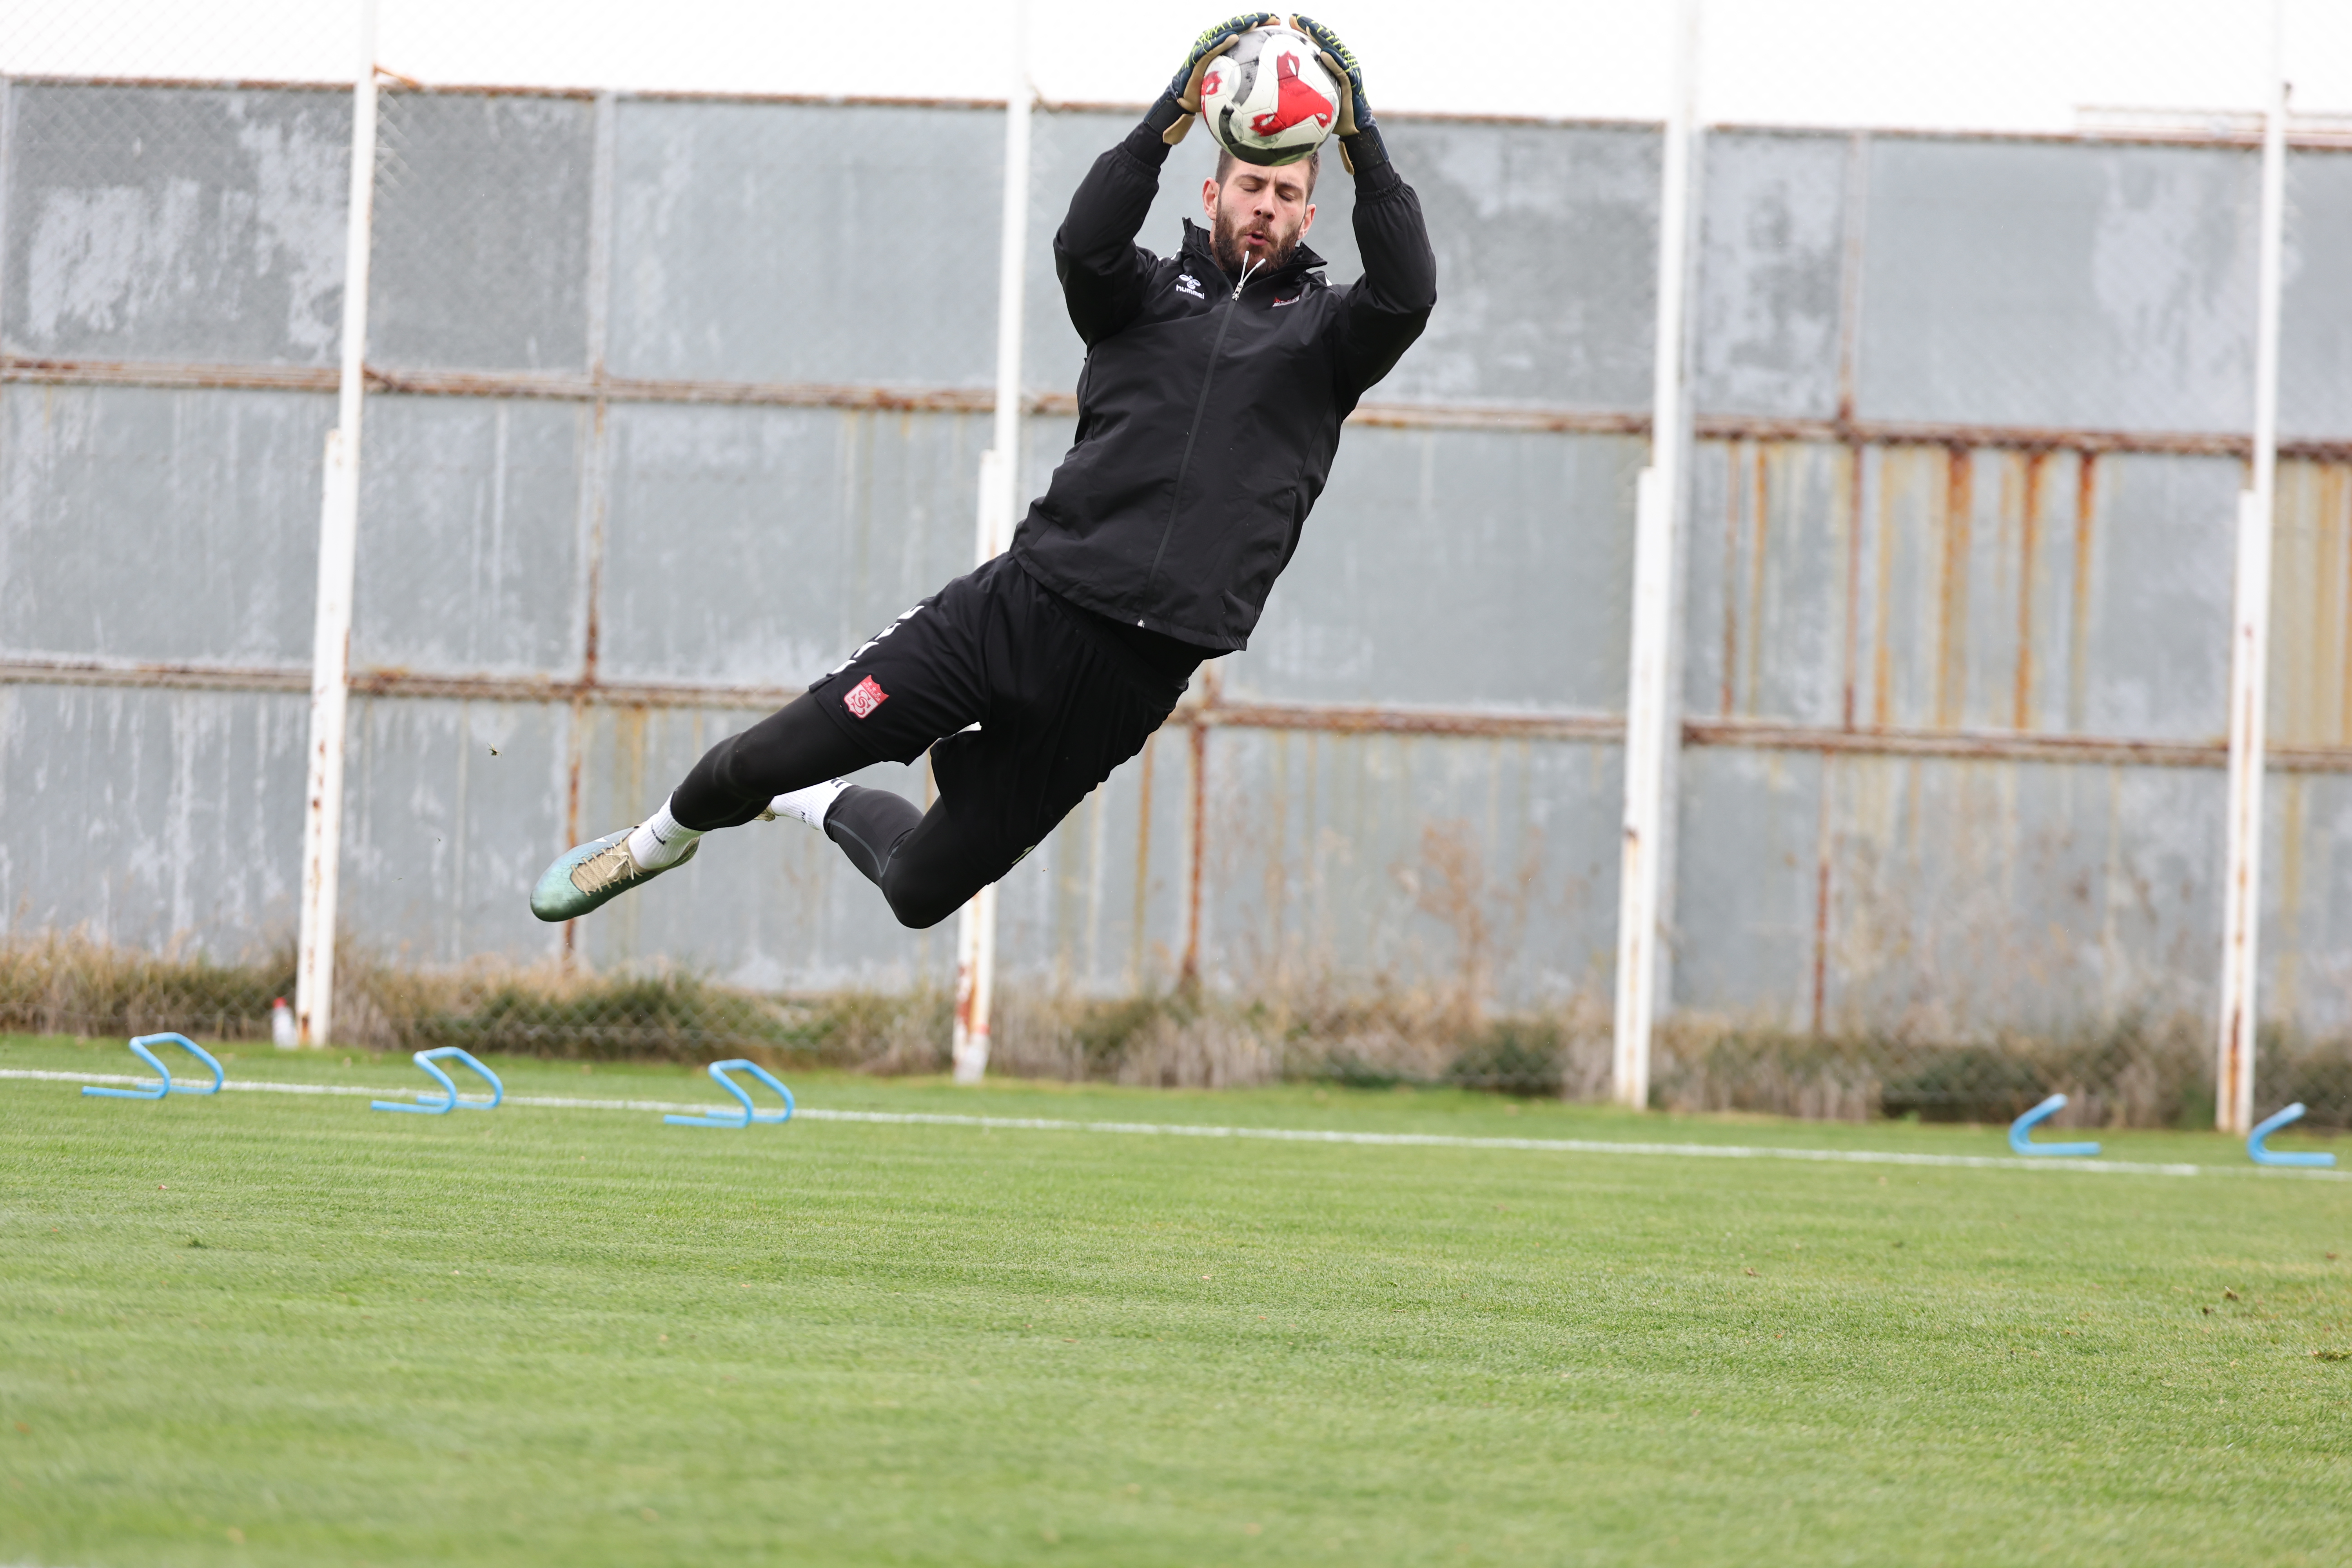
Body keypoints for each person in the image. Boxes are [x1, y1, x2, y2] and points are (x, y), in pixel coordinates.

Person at [530, 13, 1437, 929]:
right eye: (1251, 184)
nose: (1266, 205)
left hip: (1131, 680)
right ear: (1215, 188)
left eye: (1286, 191)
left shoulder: (1327, 340)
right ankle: (651, 843)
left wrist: (1360, 135)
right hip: (1017, 611)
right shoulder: (1144, 297)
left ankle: (818, 802)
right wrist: (1171, 107)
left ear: (1310, 214)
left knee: (920, 893)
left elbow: (1410, 292)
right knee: (757, 761)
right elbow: (1084, 243)